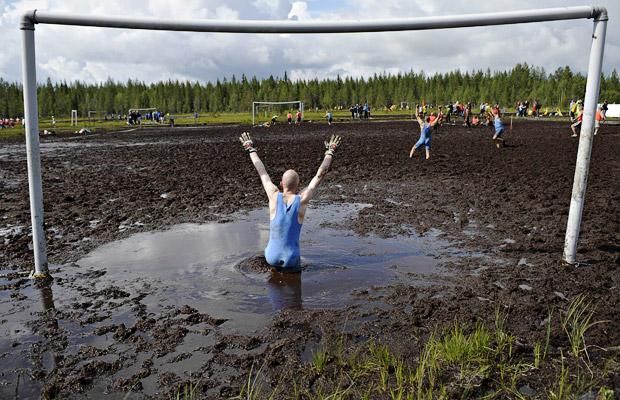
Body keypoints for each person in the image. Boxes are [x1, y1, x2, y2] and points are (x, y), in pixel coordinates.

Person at [239, 132, 342, 271]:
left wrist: (250, 148)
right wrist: (330, 152)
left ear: (281, 184)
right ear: (299, 185)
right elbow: (320, 175)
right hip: (291, 257)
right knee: (294, 290)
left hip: (271, 256)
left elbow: (261, 172)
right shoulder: (302, 200)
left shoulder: (273, 195)